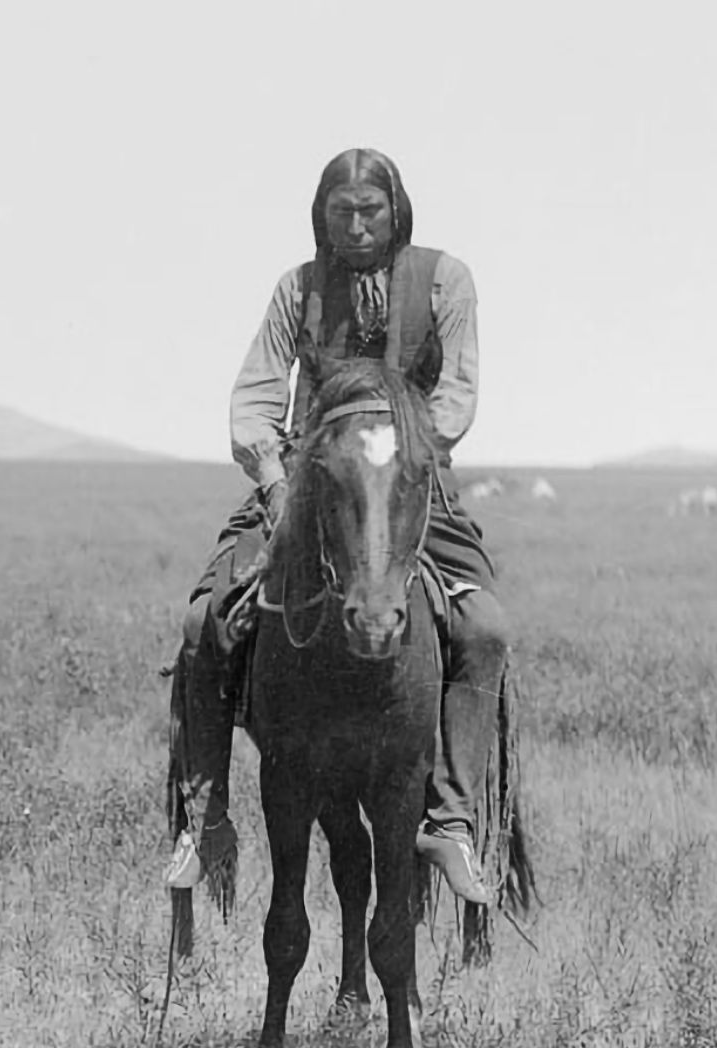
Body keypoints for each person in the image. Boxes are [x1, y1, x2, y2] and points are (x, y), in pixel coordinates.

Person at [168, 148, 507, 905]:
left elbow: (456, 395)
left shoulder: (446, 280)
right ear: (321, 216)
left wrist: (406, 457)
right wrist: (277, 480)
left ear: (398, 211)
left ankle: (449, 821)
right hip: (307, 483)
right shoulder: (298, 290)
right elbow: (255, 398)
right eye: (340, 212)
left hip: (408, 481)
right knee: (204, 624)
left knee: (483, 629)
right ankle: (207, 818)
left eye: (371, 211)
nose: (356, 226)